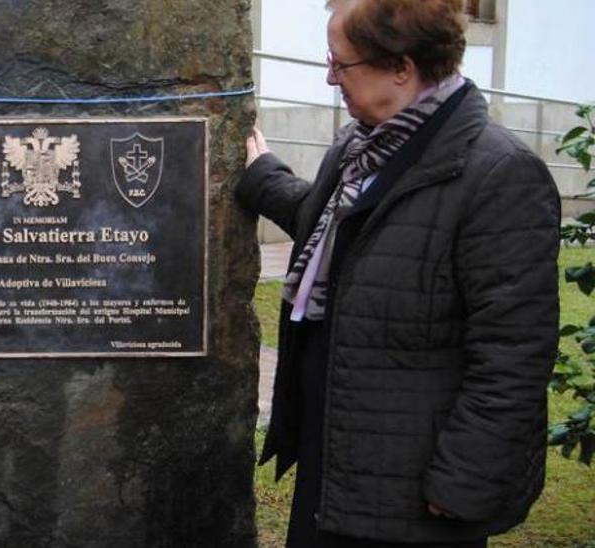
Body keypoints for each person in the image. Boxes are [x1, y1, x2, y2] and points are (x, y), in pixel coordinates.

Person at [237, 0, 558, 546]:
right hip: (338, 458)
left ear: (402, 67)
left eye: (342, 64)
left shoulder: (499, 175)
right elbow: (351, 233)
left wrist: (462, 483)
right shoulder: (365, 145)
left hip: (414, 492)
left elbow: (514, 355)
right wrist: (265, 179)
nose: (330, 77)